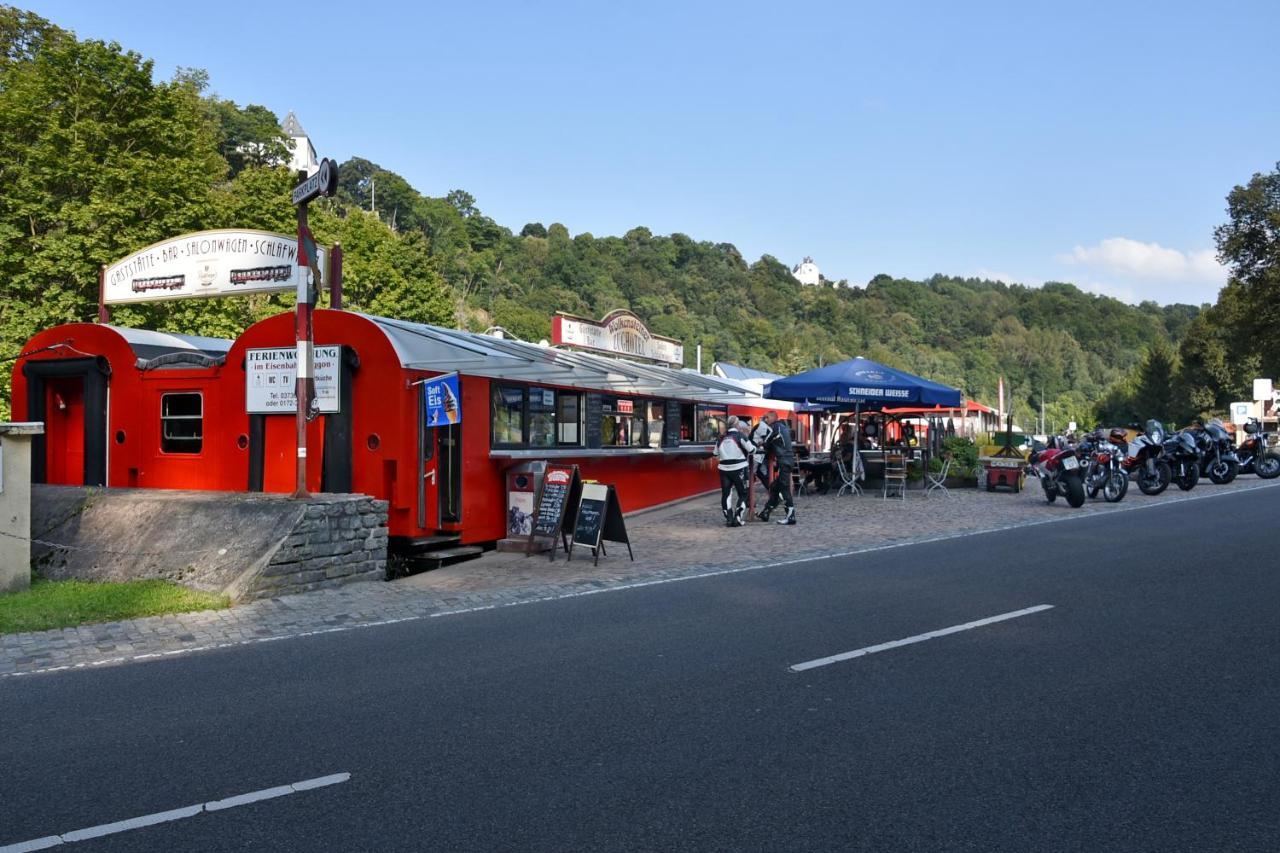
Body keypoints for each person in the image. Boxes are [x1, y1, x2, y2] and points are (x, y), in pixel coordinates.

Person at [756, 412, 797, 525]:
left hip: (784, 461)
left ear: (774, 418)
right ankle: (766, 512)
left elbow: (768, 441)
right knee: (774, 487)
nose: (765, 419)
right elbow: (774, 442)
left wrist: (760, 444)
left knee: (784, 488)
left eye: (767, 417)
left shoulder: (775, 427)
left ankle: (791, 516)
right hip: (787, 460)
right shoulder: (782, 427)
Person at [714, 415, 753, 527]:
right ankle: (738, 517)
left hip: (723, 469)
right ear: (737, 424)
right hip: (740, 468)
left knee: (726, 494)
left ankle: (729, 519)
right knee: (743, 494)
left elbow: (715, 453)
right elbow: (752, 449)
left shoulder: (720, 438)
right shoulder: (741, 436)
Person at [748, 415, 773, 490]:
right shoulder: (763, 426)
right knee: (754, 474)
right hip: (757, 454)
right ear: (766, 419)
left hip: (757, 454)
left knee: (759, 473)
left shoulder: (758, 426)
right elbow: (762, 441)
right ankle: (747, 498)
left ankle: (772, 492)